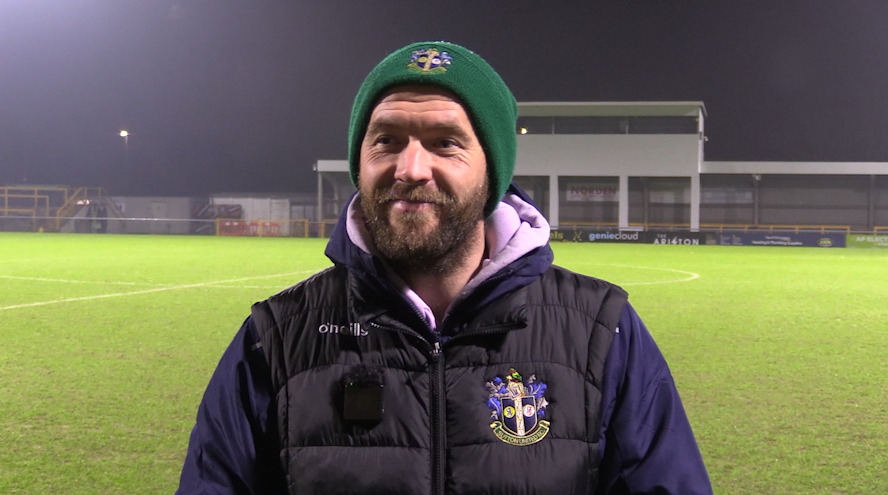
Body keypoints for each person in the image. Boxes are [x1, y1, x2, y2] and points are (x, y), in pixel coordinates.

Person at [176, 41, 713, 495]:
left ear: (492, 171)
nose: (411, 168)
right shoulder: (274, 338)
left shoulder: (603, 330)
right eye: (386, 140)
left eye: (445, 143)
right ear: (359, 161)